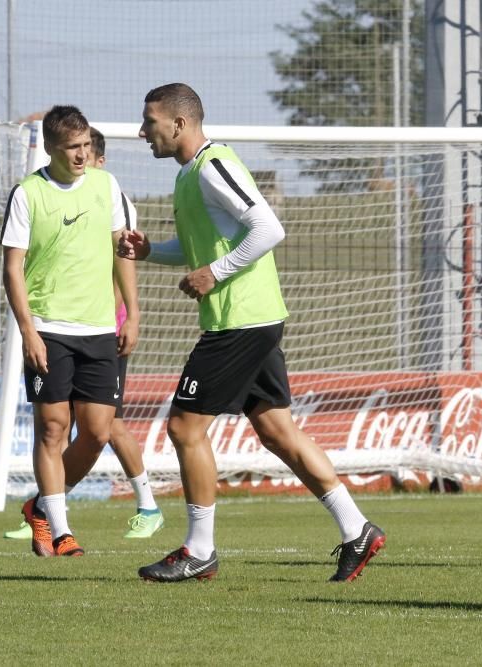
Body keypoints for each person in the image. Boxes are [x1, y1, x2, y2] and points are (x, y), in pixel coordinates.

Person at [120, 83, 386, 583]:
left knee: (184, 428)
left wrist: (215, 274)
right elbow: (207, 244)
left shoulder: (213, 164)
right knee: (276, 430)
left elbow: (268, 227)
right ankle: (358, 530)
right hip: (250, 317)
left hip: (240, 320)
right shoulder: (188, 175)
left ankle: (199, 550)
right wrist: (153, 250)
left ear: (179, 124)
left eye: (149, 121)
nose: (142, 131)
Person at [4, 127, 164, 541]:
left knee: (99, 430)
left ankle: (43, 505)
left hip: (102, 330)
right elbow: (13, 267)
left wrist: (130, 315)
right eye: (73, 147)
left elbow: (122, 253)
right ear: (53, 149)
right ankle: (59, 531)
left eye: (86, 148)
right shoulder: (28, 193)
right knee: (54, 428)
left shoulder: (108, 189)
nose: (81, 155)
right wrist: (29, 330)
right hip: (50, 327)